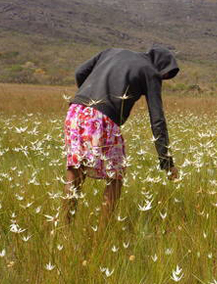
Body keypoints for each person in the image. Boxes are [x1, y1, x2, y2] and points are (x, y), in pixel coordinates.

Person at [62, 45, 180, 224]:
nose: (162, 78)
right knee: (115, 177)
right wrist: (167, 161)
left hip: (76, 111)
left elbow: (80, 72)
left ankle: (64, 228)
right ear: (161, 67)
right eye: (165, 75)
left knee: (75, 171)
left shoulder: (111, 52)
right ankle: (104, 233)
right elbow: (157, 120)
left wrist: (89, 98)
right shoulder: (151, 72)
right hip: (102, 118)